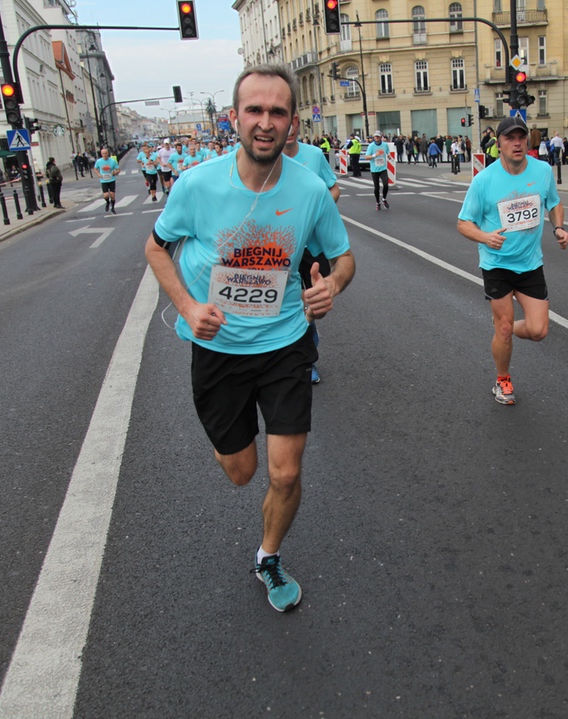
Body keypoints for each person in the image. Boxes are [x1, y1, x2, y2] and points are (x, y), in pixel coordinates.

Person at [144, 64, 355, 613]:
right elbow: (155, 248)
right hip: (218, 350)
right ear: (234, 118)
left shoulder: (310, 189)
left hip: (286, 343)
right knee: (242, 473)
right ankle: (231, 445)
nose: (266, 122)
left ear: (292, 122)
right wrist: (188, 307)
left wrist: (331, 285)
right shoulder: (197, 185)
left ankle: (268, 555)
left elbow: (344, 257)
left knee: (286, 472)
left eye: (277, 112)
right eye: (255, 110)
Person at [456, 116, 568, 406]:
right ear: (499, 144)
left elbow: (554, 202)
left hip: (530, 263)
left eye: (521, 137)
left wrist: (558, 227)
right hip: (497, 264)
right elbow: (463, 223)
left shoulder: (542, 171)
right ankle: (502, 378)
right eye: (510, 138)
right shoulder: (484, 180)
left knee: (538, 331)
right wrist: (485, 237)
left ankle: (504, 330)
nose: (517, 143)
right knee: (504, 327)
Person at [284, 127, 342, 385]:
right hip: (281, 246)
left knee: (314, 301)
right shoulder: (264, 158)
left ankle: (307, 345)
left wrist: (318, 211)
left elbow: (334, 189)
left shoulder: (314, 155)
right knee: (288, 301)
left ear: (296, 122)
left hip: (313, 246)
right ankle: (304, 359)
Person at [363, 130, 391, 210]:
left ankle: (384, 199)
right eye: (375, 136)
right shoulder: (371, 146)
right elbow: (366, 157)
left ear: (381, 137)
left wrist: (388, 155)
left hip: (383, 168)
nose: (377, 138)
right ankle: (377, 202)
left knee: (386, 185)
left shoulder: (385, 145)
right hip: (374, 169)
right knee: (377, 187)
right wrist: (375, 155)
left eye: (378, 136)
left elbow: (388, 151)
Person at [94, 146, 120, 215]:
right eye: (103, 154)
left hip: (111, 179)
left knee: (112, 195)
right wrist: (98, 174)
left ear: (108, 153)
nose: (104, 155)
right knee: (106, 195)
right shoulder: (99, 161)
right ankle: (107, 202)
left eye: (105, 153)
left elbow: (118, 169)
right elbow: (95, 168)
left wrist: (115, 172)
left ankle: (113, 208)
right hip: (103, 180)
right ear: (101, 154)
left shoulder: (112, 161)